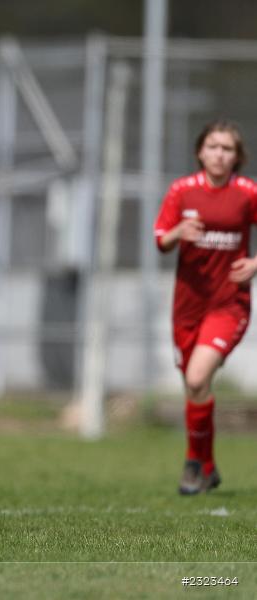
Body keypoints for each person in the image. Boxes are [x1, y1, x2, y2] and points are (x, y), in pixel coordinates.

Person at [153, 120, 257, 495]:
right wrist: (180, 232)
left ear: (237, 157)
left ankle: (193, 464)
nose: (219, 154)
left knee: (197, 378)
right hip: (186, 307)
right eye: (213, 146)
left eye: (227, 148)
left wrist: (255, 264)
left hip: (229, 305)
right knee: (194, 388)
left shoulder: (246, 193)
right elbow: (161, 239)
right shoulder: (181, 191)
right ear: (200, 151)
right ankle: (207, 467)